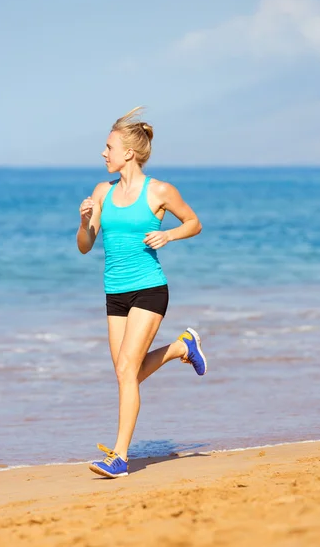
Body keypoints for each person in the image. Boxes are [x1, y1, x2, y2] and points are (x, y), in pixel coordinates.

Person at [77, 107, 206, 479]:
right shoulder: (102, 191)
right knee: (124, 372)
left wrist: (169, 234)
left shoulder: (160, 191)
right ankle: (181, 347)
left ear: (128, 153)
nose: (104, 153)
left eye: (108, 147)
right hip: (114, 293)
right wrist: (85, 221)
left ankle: (119, 456)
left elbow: (194, 222)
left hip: (150, 289)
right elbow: (85, 246)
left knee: (126, 370)